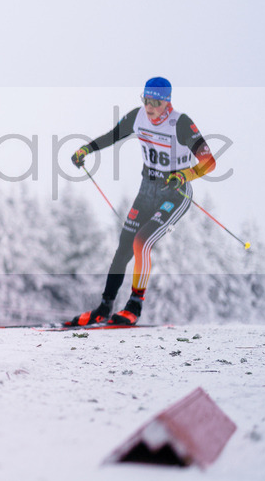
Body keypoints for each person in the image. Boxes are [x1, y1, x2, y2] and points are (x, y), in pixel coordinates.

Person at [64, 77, 216, 326]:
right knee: (124, 247)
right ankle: (104, 307)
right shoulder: (137, 117)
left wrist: (185, 175)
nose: (149, 107)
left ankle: (134, 304)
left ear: (167, 102)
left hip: (174, 193)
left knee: (141, 243)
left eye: (155, 102)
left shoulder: (181, 123)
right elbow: (113, 136)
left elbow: (209, 162)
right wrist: (86, 149)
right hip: (147, 190)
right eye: (146, 100)